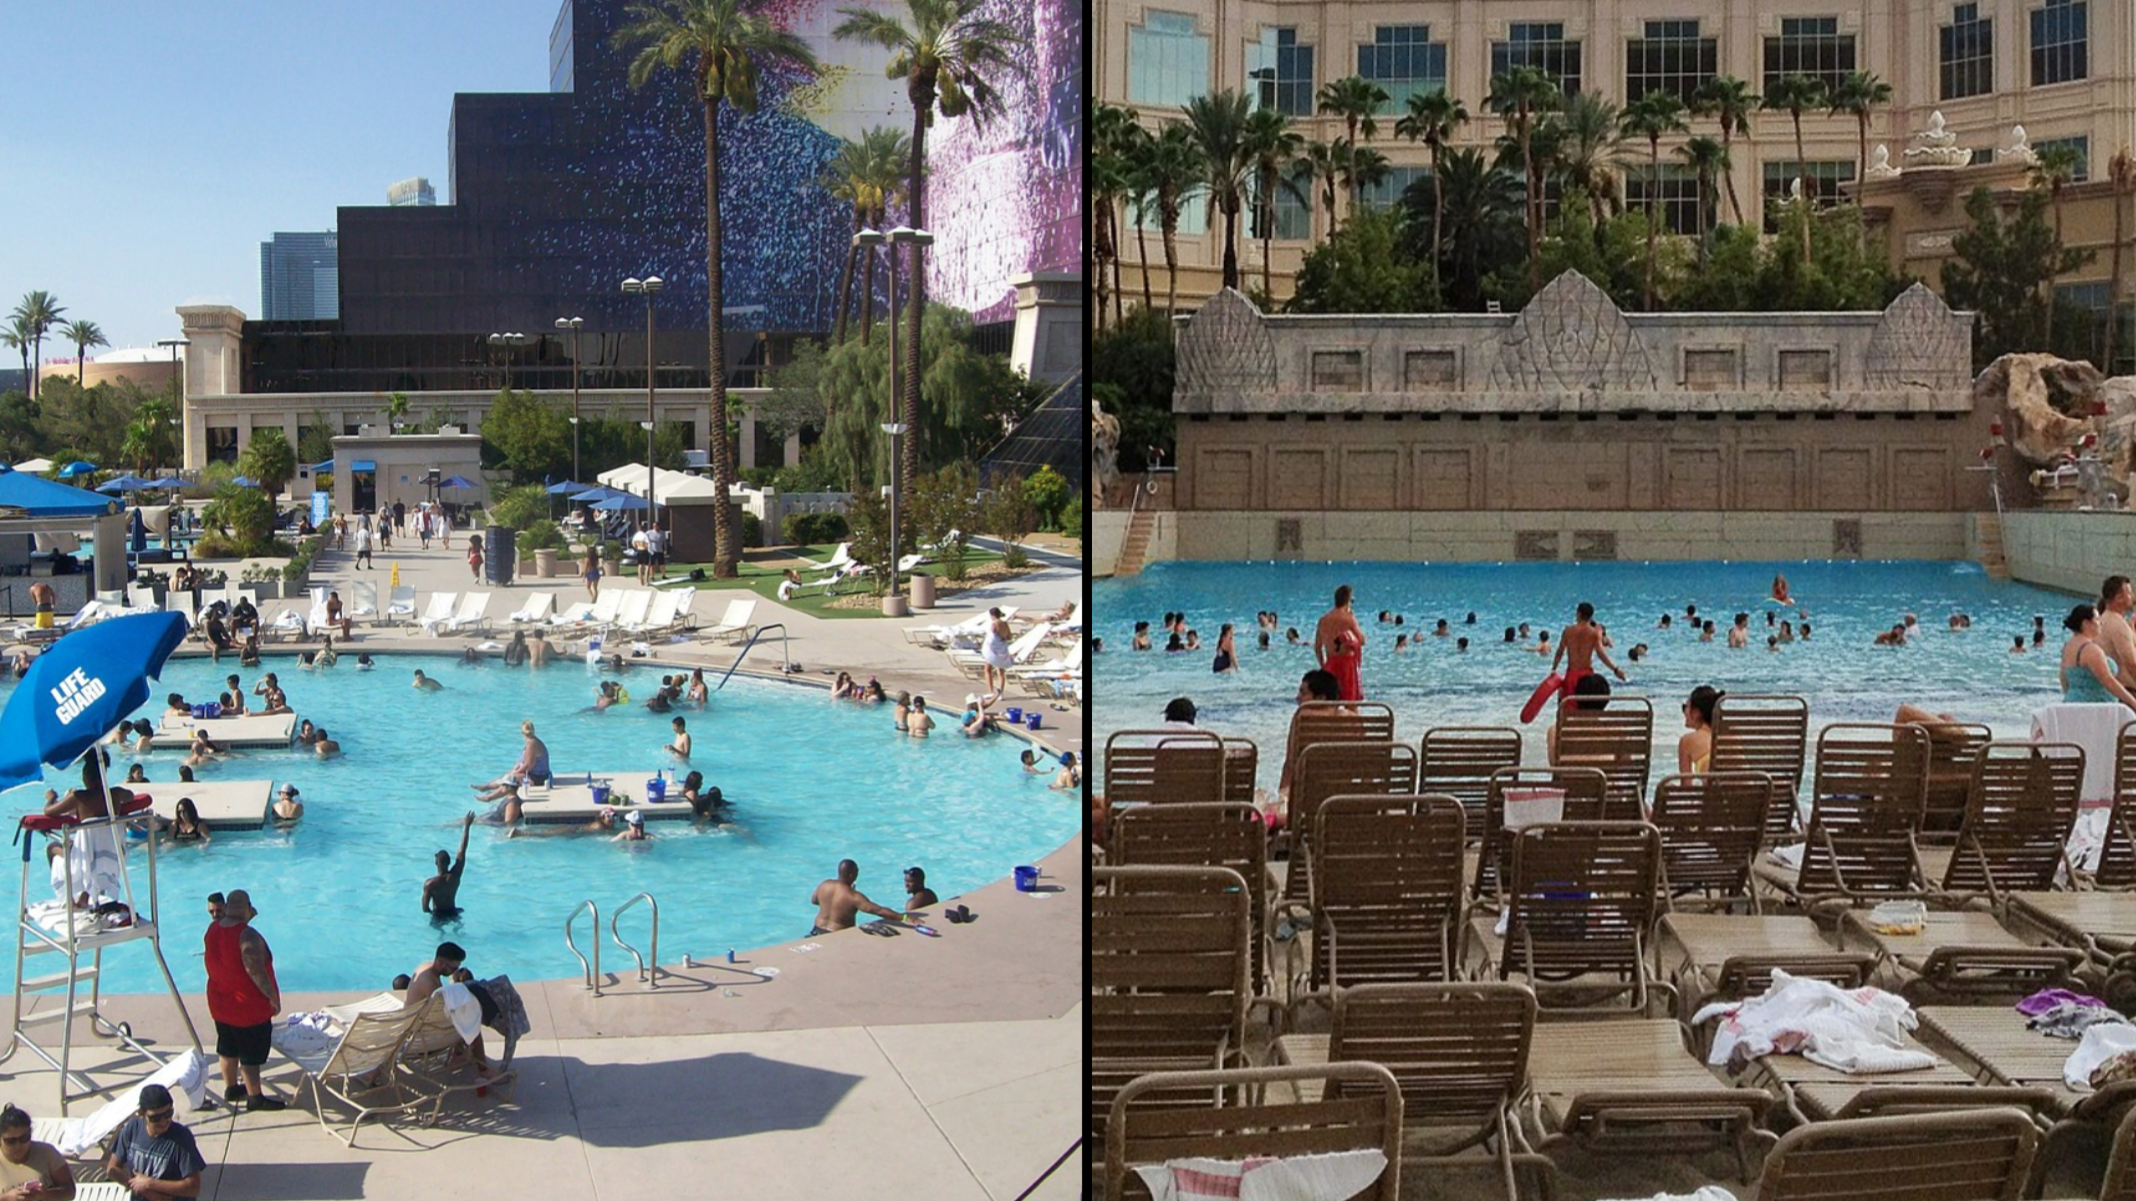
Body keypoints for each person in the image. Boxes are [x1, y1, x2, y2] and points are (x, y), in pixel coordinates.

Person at [203, 890, 284, 1110]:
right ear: (247, 908)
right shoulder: (248, 936)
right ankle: (255, 1096)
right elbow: (255, 970)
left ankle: (231, 1087)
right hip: (246, 1006)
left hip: (220, 1001)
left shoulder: (212, 929)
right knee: (250, 1055)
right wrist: (273, 997)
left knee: (227, 1046)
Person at [403, 942, 496, 1075]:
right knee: (471, 1022)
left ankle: (458, 1054)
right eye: (453, 968)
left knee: (463, 1015)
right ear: (441, 963)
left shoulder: (425, 968)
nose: (455, 972)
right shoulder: (430, 983)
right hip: (420, 1037)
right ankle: (484, 1070)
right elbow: (446, 1015)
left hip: (414, 1022)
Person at [106, 1085, 205, 1198]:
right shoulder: (132, 1129)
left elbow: (193, 1188)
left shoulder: (181, 1137)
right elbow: (112, 1169)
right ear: (141, 1114)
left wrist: (150, 1183)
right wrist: (146, 1191)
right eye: (155, 1118)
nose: (163, 1121)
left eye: (168, 1114)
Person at [2061, 604, 2136, 709]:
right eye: (2097, 619)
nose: (2100, 623)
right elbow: (2108, 681)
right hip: (2094, 707)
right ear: (2086, 623)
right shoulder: (2090, 650)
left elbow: (2064, 678)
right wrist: (2133, 702)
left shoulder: (2068, 646)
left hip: (2072, 702)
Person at [808, 860, 910, 935]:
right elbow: (879, 911)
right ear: (852, 875)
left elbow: (814, 900)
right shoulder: (853, 896)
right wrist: (903, 917)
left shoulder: (824, 885)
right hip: (837, 934)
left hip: (817, 930)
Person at [0, 1102, 76, 1198]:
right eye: (11, 1141)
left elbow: (70, 1191)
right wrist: (6, 1198)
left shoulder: (47, 1154)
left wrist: (45, 1195)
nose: (18, 1145)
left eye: (24, 1138)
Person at [1314, 585, 1367, 702]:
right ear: (1348, 601)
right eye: (1352, 601)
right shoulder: (1349, 619)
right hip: (1347, 666)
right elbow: (1362, 640)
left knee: (1330, 705)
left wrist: (1323, 666)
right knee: (1351, 705)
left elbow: (1317, 647)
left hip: (1330, 663)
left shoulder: (1323, 620)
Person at [475, 721, 550, 800]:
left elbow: (529, 765)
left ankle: (489, 797)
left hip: (538, 778)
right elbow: (523, 761)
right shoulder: (532, 742)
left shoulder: (532, 744)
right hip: (533, 774)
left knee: (511, 778)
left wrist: (516, 772)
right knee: (507, 775)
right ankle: (487, 787)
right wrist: (515, 769)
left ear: (522, 733)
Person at [423, 814, 476, 919]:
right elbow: (462, 850)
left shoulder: (430, 884)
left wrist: (433, 915)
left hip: (438, 915)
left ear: (436, 863)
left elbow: (425, 909)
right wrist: (467, 826)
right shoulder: (455, 876)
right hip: (453, 912)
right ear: (449, 863)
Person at [2098, 576, 2136, 683]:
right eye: (2129, 593)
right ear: (2119, 598)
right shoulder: (2117, 625)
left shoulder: (2103, 619)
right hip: (2126, 690)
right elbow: (2131, 663)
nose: (2132, 596)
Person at [1679, 685, 1723, 775]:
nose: (1683, 712)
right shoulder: (1732, 736)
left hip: (1718, 788)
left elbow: (1686, 786)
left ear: (1696, 713)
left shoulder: (1687, 741)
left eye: (1685, 707)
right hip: (1750, 788)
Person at [978, 607, 1014, 706]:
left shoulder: (993, 625)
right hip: (1002, 649)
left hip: (993, 650)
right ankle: (1001, 693)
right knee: (1001, 671)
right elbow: (1009, 637)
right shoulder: (1005, 624)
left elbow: (991, 637)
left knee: (987, 669)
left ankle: (991, 692)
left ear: (991, 615)